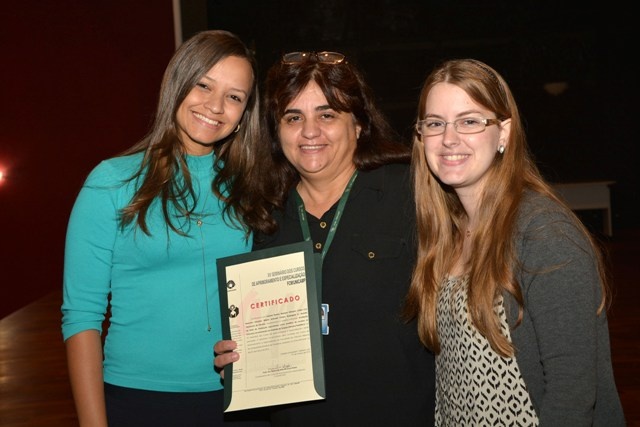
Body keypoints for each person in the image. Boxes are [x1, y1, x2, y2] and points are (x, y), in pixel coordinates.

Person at [61, 30, 275, 426]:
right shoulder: (111, 183)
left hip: (240, 401)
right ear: (177, 84)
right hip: (139, 401)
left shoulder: (254, 189)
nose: (215, 106)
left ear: (245, 114)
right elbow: (81, 318)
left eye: (234, 96)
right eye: (203, 85)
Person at [214, 51, 436, 425]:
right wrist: (240, 361)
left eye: (327, 115)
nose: (309, 131)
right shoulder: (262, 215)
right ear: (276, 129)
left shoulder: (413, 194)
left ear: (359, 124)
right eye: (293, 117)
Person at [403, 58, 625, 426]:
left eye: (469, 121)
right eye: (435, 124)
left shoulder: (544, 234)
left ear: (503, 132)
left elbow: (573, 393)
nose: (449, 138)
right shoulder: (449, 235)